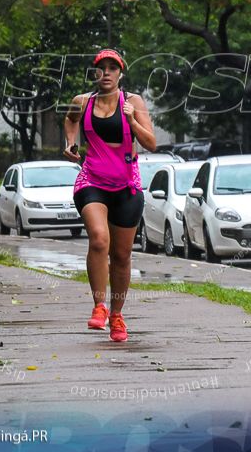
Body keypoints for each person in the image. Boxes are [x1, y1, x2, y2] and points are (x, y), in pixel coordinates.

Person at [63, 49, 157, 342]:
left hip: (127, 186)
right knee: (99, 239)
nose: (106, 73)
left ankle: (117, 315)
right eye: (101, 68)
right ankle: (99, 306)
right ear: (95, 73)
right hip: (92, 181)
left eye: (112, 68)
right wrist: (71, 143)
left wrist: (132, 120)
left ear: (120, 73)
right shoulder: (83, 102)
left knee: (121, 256)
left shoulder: (133, 102)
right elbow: (70, 119)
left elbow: (151, 144)